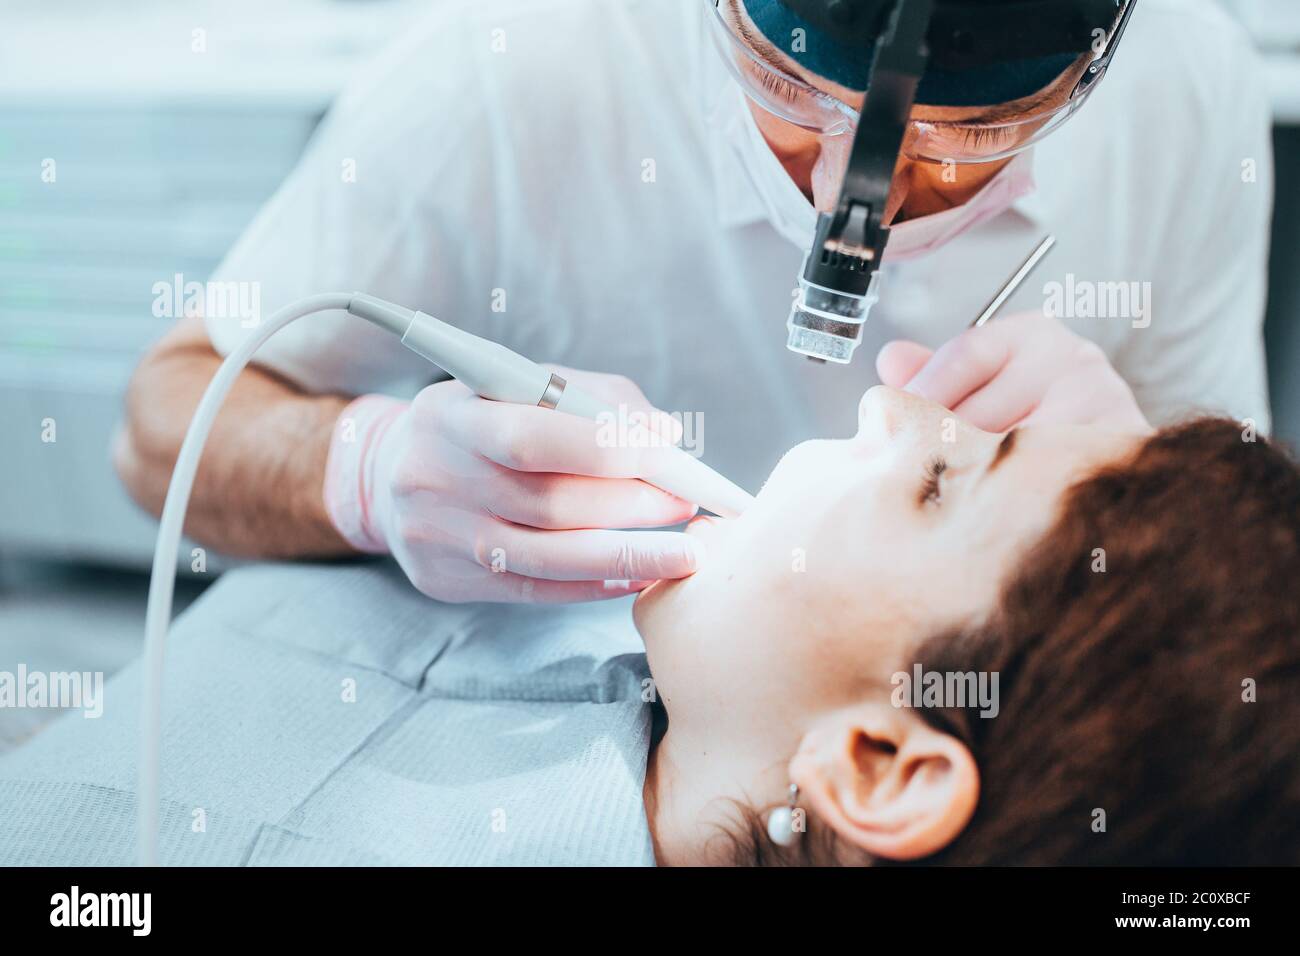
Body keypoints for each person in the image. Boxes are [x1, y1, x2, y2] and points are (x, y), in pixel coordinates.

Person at [113, 0, 1274, 604]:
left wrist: (1142, 491)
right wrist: (357, 469)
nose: (844, 195)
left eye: (968, 139)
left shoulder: (1189, 84)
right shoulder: (508, 64)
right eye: (790, 94)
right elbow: (155, 435)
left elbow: (1240, 611)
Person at [5, 382, 1297, 865]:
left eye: (939, 475)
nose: (896, 399)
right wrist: (351, 458)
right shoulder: (666, 636)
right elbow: (167, 422)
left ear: (879, 766)